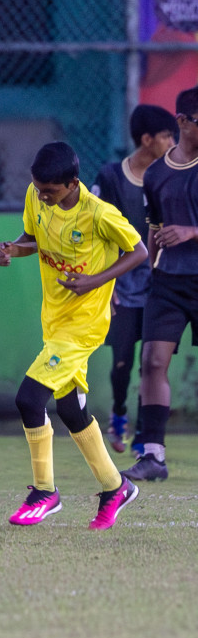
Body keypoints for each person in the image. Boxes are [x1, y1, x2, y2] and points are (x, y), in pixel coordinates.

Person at [0, 142, 145, 529]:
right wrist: (14, 248)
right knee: (71, 410)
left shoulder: (98, 214)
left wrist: (94, 281)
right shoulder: (36, 195)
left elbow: (139, 251)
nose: (43, 196)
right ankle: (116, 487)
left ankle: (44, 491)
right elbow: (32, 239)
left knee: (29, 399)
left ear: (73, 183)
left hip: (84, 325)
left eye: (51, 191)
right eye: (39, 189)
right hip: (55, 321)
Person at [90, 104, 176, 452]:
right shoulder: (111, 177)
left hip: (158, 280)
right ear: (147, 139)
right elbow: (95, 232)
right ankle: (119, 412)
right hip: (122, 281)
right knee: (123, 360)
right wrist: (104, 282)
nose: (174, 142)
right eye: (168, 135)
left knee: (152, 361)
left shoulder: (170, 175)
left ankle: (145, 437)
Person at [129, 85, 198, 481]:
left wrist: (191, 232)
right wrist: (149, 268)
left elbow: (181, 229)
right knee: (153, 361)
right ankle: (153, 456)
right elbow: (154, 229)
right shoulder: (155, 174)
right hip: (169, 282)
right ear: (183, 121)